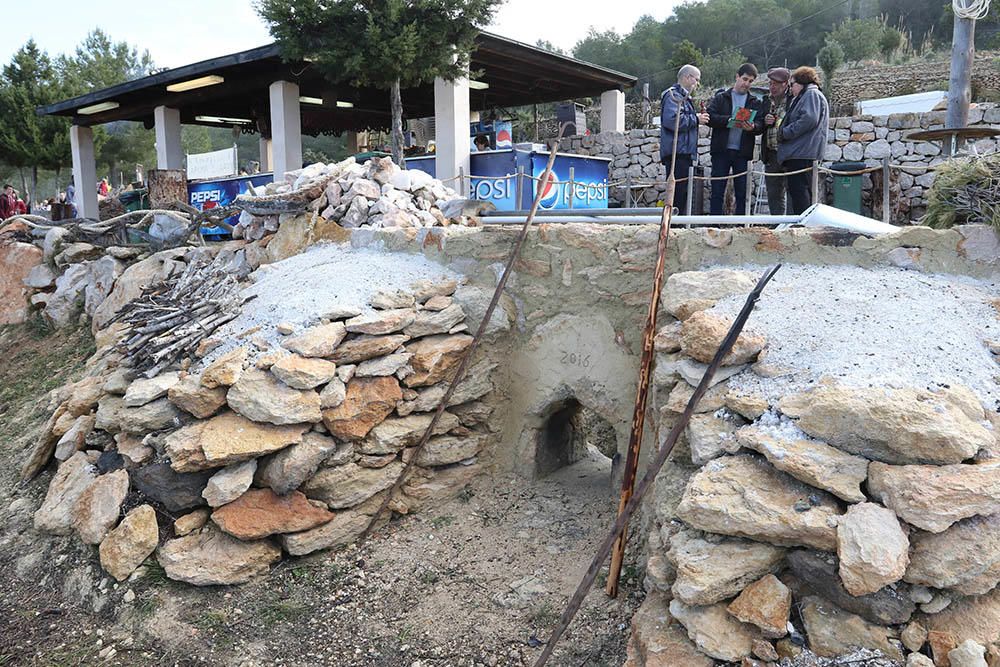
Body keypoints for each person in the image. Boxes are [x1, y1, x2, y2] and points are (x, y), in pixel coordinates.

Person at [706, 63, 764, 216]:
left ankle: (741, 225)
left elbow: (761, 124)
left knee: (742, 192)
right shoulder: (721, 98)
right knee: (717, 190)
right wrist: (729, 120)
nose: (746, 83)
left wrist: (753, 127)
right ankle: (714, 225)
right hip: (721, 151)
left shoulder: (755, 102)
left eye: (750, 81)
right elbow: (710, 117)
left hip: (742, 153)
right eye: (744, 79)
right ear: (737, 77)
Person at [778, 66, 830, 214]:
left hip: (802, 154)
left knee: (801, 196)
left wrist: (786, 132)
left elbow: (809, 119)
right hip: (802, 153)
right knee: (800, 195)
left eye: (792, 84)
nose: (791, 89)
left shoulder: (811, 95)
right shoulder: (810, 95)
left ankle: (804, 228)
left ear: (802, 83)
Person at [660, 64, 709, 213]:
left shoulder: (684, 98)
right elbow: (671, 120)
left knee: (682, 195)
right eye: (696, 79)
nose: (697, 84)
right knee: (677, 196)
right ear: (688, 77)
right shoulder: (672, 95)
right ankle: (673, 229)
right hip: (677, 153)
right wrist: (696, 119)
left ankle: (677, 228)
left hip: (684, 152)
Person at [760, 67, 792, 215]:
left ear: (785, 84)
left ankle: (794, 226)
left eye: (776, 84)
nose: (772, 87)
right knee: (773, 194)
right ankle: (777, 227)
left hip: (788, 153)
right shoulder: (766, 100)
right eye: (770, 83)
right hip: (771, 154)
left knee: (792, 192)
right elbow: (759, 124)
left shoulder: (793, 99)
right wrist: (764, 121)